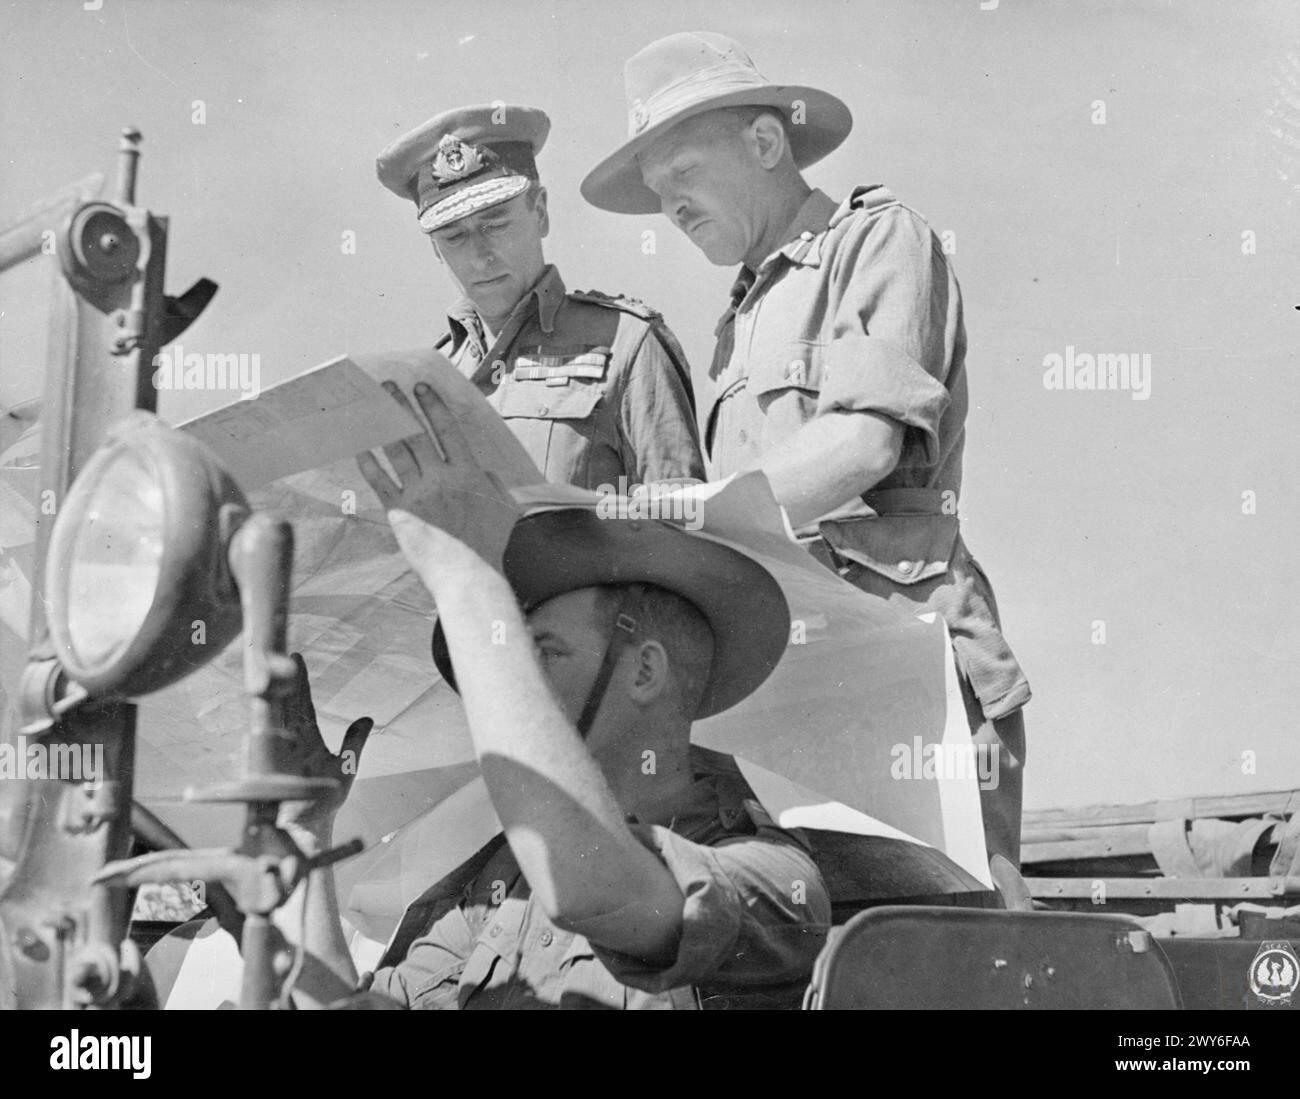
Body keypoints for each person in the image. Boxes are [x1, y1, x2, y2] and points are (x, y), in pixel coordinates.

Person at [580, 32, 1031, 866]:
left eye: (682, 172)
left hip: (907, 669)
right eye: (655, 190)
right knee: (823, 959)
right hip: (792, 682)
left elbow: (862, 444)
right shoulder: (741, 318)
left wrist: (685, 511)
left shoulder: (877, 240)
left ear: (764, 142)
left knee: (961, 942)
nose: (671, 206)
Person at [275, 384, 830, 1009]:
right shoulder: (505, 874)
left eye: (546, 651)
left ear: (645, 671)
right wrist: (305, 828)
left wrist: (468, 574)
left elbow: (587, 884)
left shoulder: (772, 878)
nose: (515, 674)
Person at [376, 104, 705, 491]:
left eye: (495, 224)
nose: (481, 256)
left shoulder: (626, 344)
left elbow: (683, 524)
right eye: (454, 237)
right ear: (434, 248)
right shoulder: (430, 380)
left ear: (541, 211)